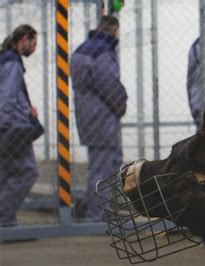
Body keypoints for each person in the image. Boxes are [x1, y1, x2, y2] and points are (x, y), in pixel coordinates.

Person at [71, 16, 127, 222]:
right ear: (114, 30)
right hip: (102, 117)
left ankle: (98, 213)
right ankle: (96, 216)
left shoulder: (81, 50)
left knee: (101, 165)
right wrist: (122, 104)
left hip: (87, 116)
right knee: (103, 167)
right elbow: (109, 85)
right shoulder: (102, 51)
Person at [0, 25, 40, 227]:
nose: (34, 48)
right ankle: (5, 217)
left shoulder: (5, 59)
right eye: (34, 43)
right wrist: (7, 127)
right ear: (24, 39)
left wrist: (26, 109)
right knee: (28, 172)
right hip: (13, 128)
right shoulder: (12, 63)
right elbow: (6, 99)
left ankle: (5, 218)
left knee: (6, 173)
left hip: (10, 124)